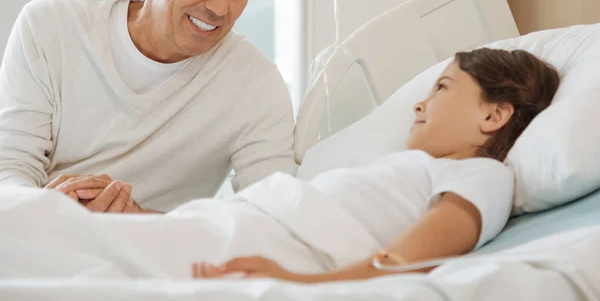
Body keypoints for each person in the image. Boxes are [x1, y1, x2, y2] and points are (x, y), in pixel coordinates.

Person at [22, 47, 559, 281]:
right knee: (40, 229)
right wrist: (143, 217)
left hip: (252, 254)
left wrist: (296, 286)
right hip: (221, 229)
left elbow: (408, 263)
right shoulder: (401, 169)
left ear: (495, 113)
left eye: (442, 88)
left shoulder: (483, 175)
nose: (420, 103)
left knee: (36, 240)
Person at [0, 0, 297, 213]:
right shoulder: (51, 26)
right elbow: (9, 167)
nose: (220, 8)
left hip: (157, 253)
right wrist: (50, 208)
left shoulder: (255, 83)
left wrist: (137, 219)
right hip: (38, 237)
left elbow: (271, 217)